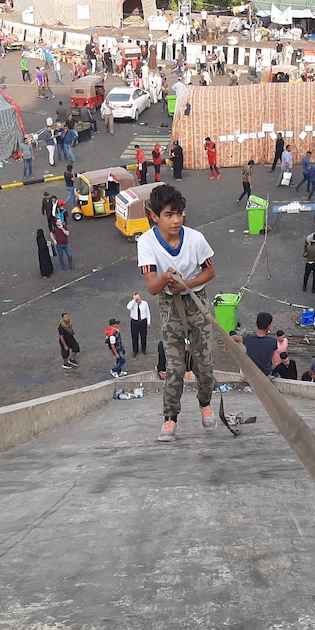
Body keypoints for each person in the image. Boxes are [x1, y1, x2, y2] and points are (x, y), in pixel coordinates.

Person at [137, 183, 217, 442]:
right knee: (174, 367)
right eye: (169, 214)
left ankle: (205, 403)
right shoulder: (147, 243)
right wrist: (166, 279)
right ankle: (170, 418)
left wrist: (186, 283)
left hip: (197, 301)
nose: (176, 220)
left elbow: (209, 272)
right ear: (155, 216)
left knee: (205, 364)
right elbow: (151, 288)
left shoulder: (195, 239)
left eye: (179, 214)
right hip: (169, 306)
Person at [126, 292, 151, 357]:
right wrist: (133, 300)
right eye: (137, 298)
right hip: (135, 322)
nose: (138, 299)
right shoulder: (132, 304)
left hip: (143, 321)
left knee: (143, 336)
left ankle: (143, 349)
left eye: (139, 297)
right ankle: (135, 351)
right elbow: (128, 307)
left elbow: (148, 312)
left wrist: (148, 322)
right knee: (134, 336)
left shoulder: (145, 303)